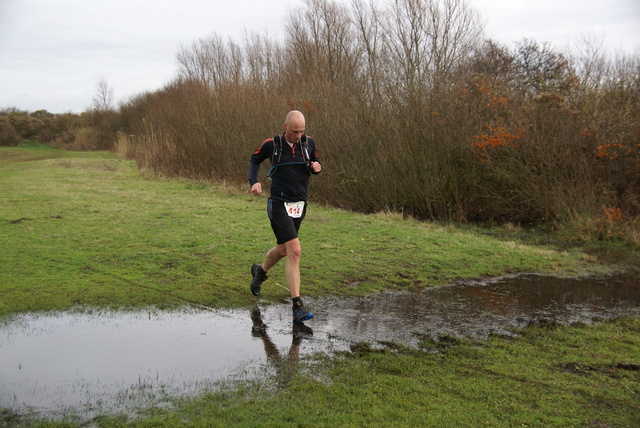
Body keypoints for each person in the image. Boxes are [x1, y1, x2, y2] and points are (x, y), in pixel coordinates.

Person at [248, 110, 321, 322]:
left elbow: (313, 163)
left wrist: (316, 168)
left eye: (302, 131)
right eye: (295, 131)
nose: (298, 135)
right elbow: (254, 160)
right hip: (278, 203)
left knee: (283, 249)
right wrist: (254, 181)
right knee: (295, 250)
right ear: (285, 126)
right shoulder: (273, 144)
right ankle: (297, 305)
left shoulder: (309, 143)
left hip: (299, 204)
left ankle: (259, 273)